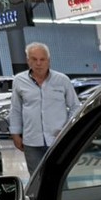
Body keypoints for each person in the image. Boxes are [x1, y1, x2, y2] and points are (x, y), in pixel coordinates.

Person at [9, 42, 80, 175]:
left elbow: (75, 106)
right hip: (31, 142)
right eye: (34, 59)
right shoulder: (19, 81)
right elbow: (16, 109)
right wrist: (15, 134)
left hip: (58, 140)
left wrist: (66, 130)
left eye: (42, 59)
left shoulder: (62, 80)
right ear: (28, 61)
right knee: (37, 179)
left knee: (59, 177)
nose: (38, 63)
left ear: (49, 61)